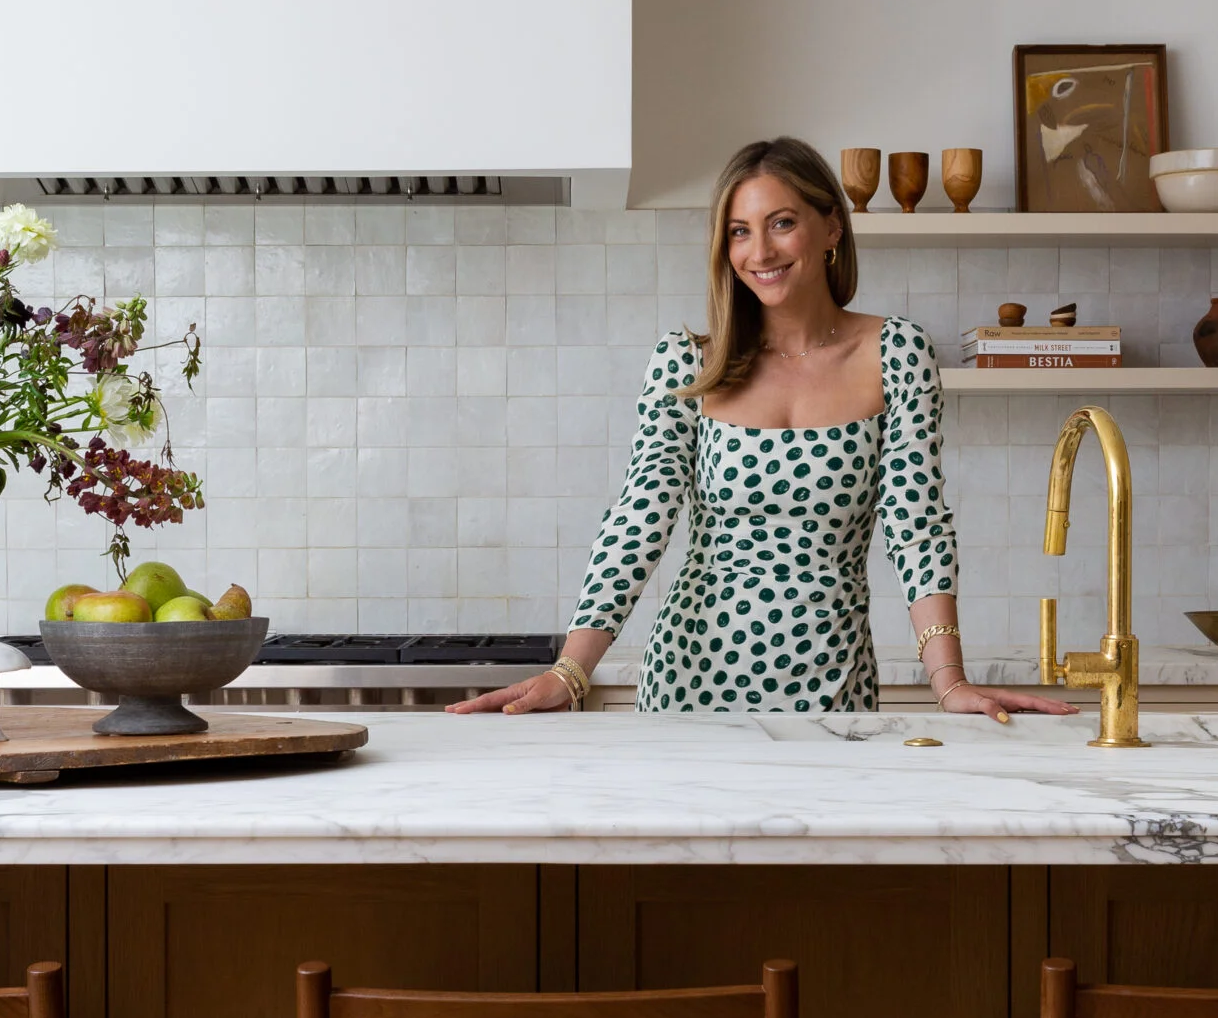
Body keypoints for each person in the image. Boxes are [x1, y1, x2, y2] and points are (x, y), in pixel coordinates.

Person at [449, 135, 1077, 721]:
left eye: (782, 223)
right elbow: (641, 514)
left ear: (831, 226)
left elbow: (918, 525)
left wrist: (950, 681)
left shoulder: (897, 352)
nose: (761, 252)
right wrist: (572, 672)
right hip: (688, 681)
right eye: (739, 231)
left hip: (835, 687)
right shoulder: (688, 361)